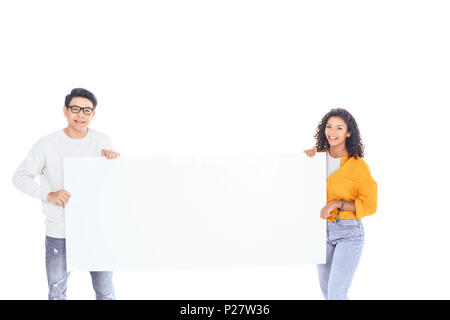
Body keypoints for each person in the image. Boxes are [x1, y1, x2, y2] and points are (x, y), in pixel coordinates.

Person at [12, 88, 120, 300]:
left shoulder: (103, 141)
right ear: (65, 110)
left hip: (96, 229)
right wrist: (49, 194)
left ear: (93, 114)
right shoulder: (47, 143)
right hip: (59, 231)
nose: (81, 115)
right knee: (57, 293)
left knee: (106, 293)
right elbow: (19, 177)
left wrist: (113, 164)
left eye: (87, 110)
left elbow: (113, 187)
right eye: (75, 109)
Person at [304, 108, 377, 300]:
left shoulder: (358, 166)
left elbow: (370, 205)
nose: (332, 132)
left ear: (348, 133)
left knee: (337, 292)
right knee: (327, 292)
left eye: (339, 128)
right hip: (321, 232)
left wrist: (337, 203)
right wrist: (305, 160)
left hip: (349, 233)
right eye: (329, 127)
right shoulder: (316, 160)